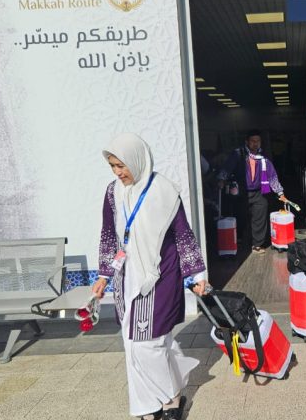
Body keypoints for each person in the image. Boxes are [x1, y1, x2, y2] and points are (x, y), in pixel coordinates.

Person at [92, 133, 209, 420]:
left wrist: (196, 274)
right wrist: (104, 275)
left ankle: (171, 399)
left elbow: (183, 235)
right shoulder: (112, 192)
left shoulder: (164, 191)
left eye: (122, 165)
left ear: (136, 159)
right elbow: (109, 235)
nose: (118, 173)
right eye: (112, 167)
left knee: (150, 343)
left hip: (160, 275)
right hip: (126, 276)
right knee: (132, 343)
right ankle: (147, 404)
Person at [217, 130, 287, 254]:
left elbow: (272, 176)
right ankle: (240, 242)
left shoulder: (263, 158)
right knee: (242, 218)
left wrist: (280, 193)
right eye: (253, 141)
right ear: (247, 142)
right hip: (242, 192)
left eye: (258, 141)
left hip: (259, 193)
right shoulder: (238, 154)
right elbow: (227, 167)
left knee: (259, 218)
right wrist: (222, 179)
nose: (255, 144)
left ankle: (257, 245)